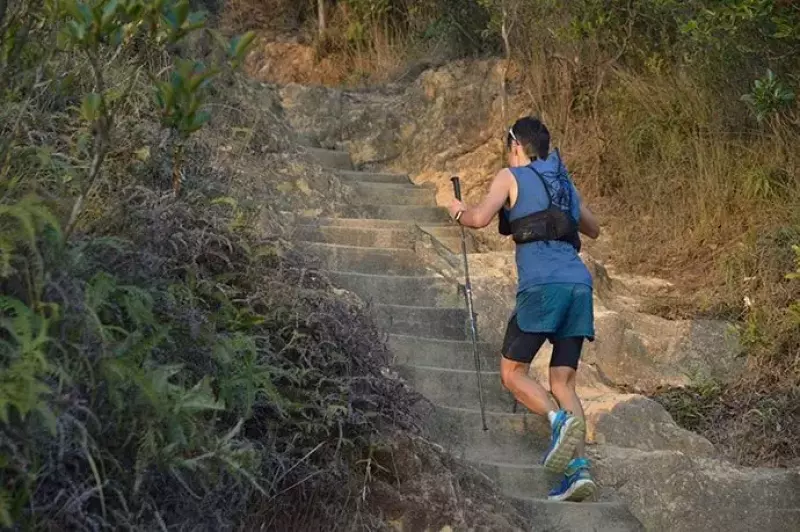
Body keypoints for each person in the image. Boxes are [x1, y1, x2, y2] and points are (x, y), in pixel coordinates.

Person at [447, 116, 601, 502]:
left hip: (542, 286)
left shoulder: (508, 176)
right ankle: (579, 472)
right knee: (563, 382)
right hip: (578, 285)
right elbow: (593, 228)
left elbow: (480, 219)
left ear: (516, 146)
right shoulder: (563, 180)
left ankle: (557, 421)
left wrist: (455, 210)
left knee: (512, 373)